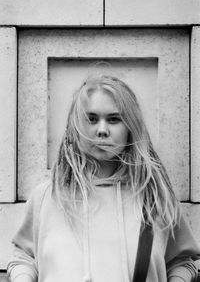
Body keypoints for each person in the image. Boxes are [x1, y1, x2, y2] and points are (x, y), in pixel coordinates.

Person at [7, 75, 200, 282]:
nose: (101, 130)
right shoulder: (47, 196)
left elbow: (181, 261)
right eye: (91, 119)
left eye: (114, 119)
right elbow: (25, 257)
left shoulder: (154, 196)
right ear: (75, 126)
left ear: (130, 127)